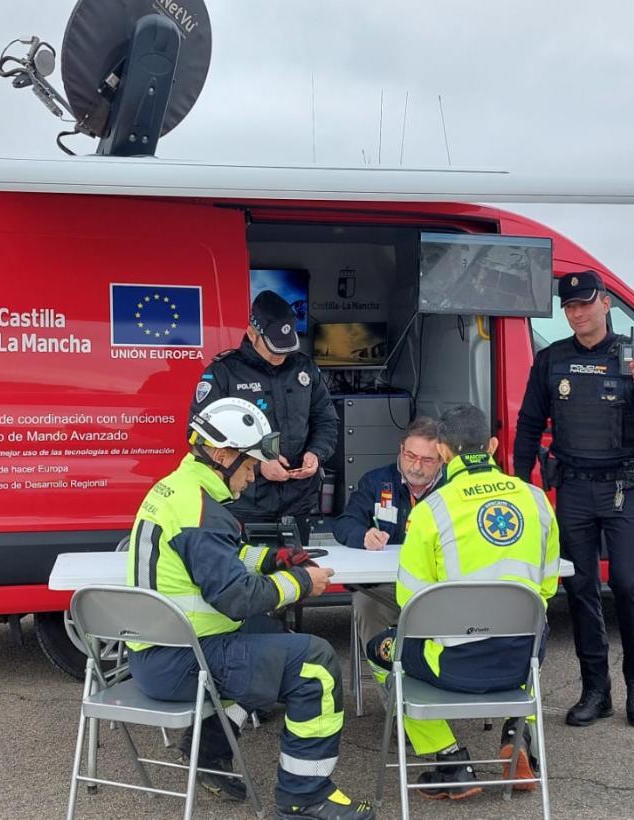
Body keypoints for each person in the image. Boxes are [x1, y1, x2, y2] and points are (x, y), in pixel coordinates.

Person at [125, 396, 373, 819]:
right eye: (249, 465)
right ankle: (305, 795)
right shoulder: (199, 510)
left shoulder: (181, 490)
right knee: (314, 663)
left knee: (273, 639)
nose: (253, 476)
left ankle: (208, 750)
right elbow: (237, 598)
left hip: (162, 654)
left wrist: (276, 558)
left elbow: (222, 558)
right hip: (183, 662)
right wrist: (301, 582)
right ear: (221, 455)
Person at [511, 271, 634, 727]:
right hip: (572, 488)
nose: (577, 313)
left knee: (632, 588)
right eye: (569, 307)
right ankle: (596, 690)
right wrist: (521, 484)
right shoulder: (551, 360)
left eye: (585, 304)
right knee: (580, 590)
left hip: (624, 487)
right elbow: (530, 425)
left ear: (606, 303)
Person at [362, 405, 560, 799]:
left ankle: (451, 760)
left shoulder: (433, 510)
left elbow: (410, 600)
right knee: (534, 635)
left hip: (452, 663)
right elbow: (547, 587)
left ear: (444, 452)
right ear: (492, 445)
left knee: (381, 648)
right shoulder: (537, 500)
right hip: (519, 661)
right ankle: (516, 737)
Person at [191, 290, 339, 524]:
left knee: (296, 561)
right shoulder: (224, 372)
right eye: (273, 348)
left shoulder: (304, 369)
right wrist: (259, 465)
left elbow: (326, 420)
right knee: (246, 561)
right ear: (252, 333)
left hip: (299, 502)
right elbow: (201, 438)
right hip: (244, 504)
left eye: (285, 348)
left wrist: (316, 453)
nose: (280, 355)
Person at [332, 418, 445, 665]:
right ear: (401, 449)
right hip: (387, 588)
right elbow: (344, 523)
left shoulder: (453, 487)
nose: (416, 466)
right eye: (410, 455)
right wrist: (363, 535)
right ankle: (392, 692)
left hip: (439, 584)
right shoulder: (376, 481)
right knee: (365, 603)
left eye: (427, 460)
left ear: (442, 458)